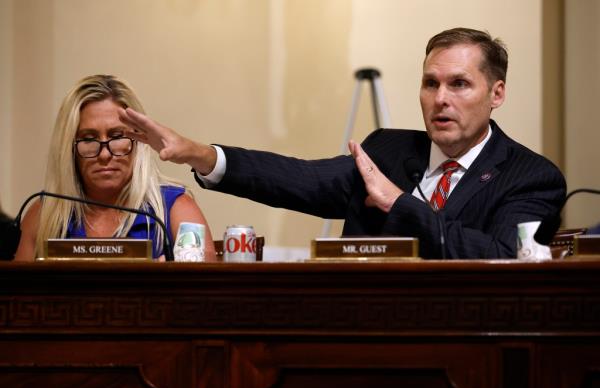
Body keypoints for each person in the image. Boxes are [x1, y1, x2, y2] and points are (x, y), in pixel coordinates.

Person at [118, 28, 566, 259]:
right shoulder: (389, 151)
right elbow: (299, 179)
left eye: (460, 84)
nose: (441, 99)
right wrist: (200, 153)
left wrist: (399, 204)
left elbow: (503, 257)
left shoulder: (531, 176)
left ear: (497, 93)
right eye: (430, 83)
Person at [15, 75, 216, 261]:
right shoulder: (44, 214)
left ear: (140, 140)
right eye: (88, 138)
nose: (104, 154)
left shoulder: (175, 209)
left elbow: (205, 295)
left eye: (117, 136)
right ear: (69, 148)